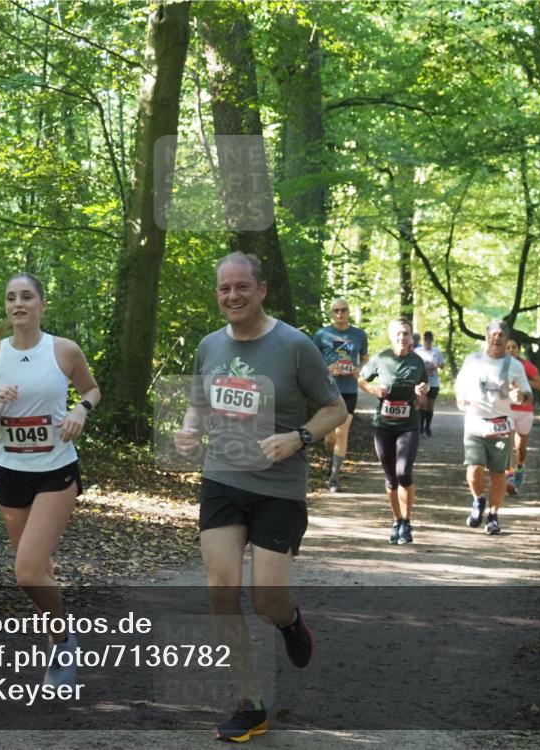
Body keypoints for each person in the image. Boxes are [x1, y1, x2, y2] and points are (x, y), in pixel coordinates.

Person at [174, 252, 346, 743]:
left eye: (242, 287)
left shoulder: (294, 346)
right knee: (221, 590)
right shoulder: (208, 346)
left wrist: (299, 438)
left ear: (262, 289)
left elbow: (334, 410)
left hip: (278, 489)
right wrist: (190, 430)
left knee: (267, 600)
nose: (232, 296)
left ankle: (289, 621)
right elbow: (198, 401)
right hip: (223, 480)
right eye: (224, 288)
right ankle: (248, 703)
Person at [0, 273, 100, 688]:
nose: (18, 304)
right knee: (39, 568)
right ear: (6, 307)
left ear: (42, 304)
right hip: (11, 472)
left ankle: (63, 643)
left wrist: (80, 409)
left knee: (27, 571)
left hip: (56, 470)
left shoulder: (63, 350)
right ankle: (58, 643)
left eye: (27, 296)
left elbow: (93, 390)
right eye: (11, 298)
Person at [454, 320, 532, 536]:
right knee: (474, 469)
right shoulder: (473, 361)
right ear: (487, 336)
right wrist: (460, 396)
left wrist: (521, 396)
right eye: (494, 334)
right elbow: (459, 385)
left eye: (502, 335)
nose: (497, 338)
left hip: (501, 424)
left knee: (499, 474)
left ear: (507, 340)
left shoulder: (514, 365)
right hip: (475, 422)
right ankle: (478, 500)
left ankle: (494, 516)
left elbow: (528, 394)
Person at [357, 318, 430, 544]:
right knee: (390, 479)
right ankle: (396, 520)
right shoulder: (381, 358)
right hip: (384, 425)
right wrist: (372, 389)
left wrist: (422, 390)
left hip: (408, 425)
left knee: (403, 473)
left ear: (410, 337)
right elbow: (361, 379)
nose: (402, 338)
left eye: (406, 334)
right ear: (392, 336)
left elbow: (424, 389)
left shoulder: (417, 362)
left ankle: (407, 523)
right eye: (398, 334)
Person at [311, 298, 368, 493]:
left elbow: (365, 359)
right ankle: (330, 461)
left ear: (349, 311)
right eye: (335, 311)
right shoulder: (322, 334)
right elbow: (311, 361)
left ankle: (334, 477)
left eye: (343, 310)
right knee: (329, 437)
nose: (340, 314)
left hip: (349, 391)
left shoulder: (359, 335)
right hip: (327, 390)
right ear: (331, 313)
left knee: (342, 432)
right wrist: (328, 369)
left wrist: (358, 370)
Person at [504, 338, 540, 494]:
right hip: (507, 410)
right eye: (507, 347)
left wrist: (523, 380)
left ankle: (520, 468)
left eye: (514, 347)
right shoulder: (500, 364)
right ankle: (510, 477)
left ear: (518, 350)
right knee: (508, 444)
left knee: (520, 448)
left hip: (524, 410)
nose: (511, 350)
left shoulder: (526, 365)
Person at [415, 331, 446, 437]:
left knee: (429, 407)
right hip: (421, 382)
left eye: (430, 339)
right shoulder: (417, 351)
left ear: (432, 340)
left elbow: (442, 365)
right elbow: (413, 363)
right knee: (421, 405)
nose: (428, 341)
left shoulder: (437, 352)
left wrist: (437, 365)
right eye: (426, 339)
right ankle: (421, 427)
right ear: (423, 340)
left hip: (433, 382)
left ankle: (427, 427)